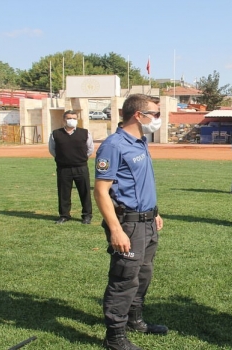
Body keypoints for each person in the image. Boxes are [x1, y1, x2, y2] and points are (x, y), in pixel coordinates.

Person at [94, 94, 167, 350]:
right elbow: (101, 191)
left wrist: (153, 212)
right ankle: (114, 337)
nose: (157, 119)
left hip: (147, 221)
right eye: (155, 114)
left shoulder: (140, 141)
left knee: (143, 274)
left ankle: (135, 320)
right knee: (124, 278)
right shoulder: (114, 145)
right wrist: (116, 230)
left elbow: (139, 184)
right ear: (139, 115)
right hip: (128, 225)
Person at [49, 110, 94, 224]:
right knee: (63, 193)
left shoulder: (85, 133)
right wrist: (63, 159)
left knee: (85, 192)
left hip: (81, 167)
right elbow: (52, 149)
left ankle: (87, 215)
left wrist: (80, 159)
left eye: (74, 118)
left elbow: (90, 149)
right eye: (69, 118)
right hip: (63, 168)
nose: (72, 120)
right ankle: (64, 215)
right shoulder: (55, 134)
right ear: (64, 119)